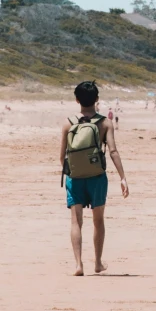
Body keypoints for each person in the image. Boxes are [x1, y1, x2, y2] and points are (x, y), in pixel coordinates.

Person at [59, 79, 128, 276]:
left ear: (76, 100)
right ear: (97, 99)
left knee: (76, 222)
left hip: (75, 177)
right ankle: (97, 262)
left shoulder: (68, 123)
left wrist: (74, 170)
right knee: (98, 220)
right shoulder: (104, 123)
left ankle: (78, 265)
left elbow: (61, 155)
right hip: (97, 177)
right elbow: (113, 151)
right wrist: (123, 177)